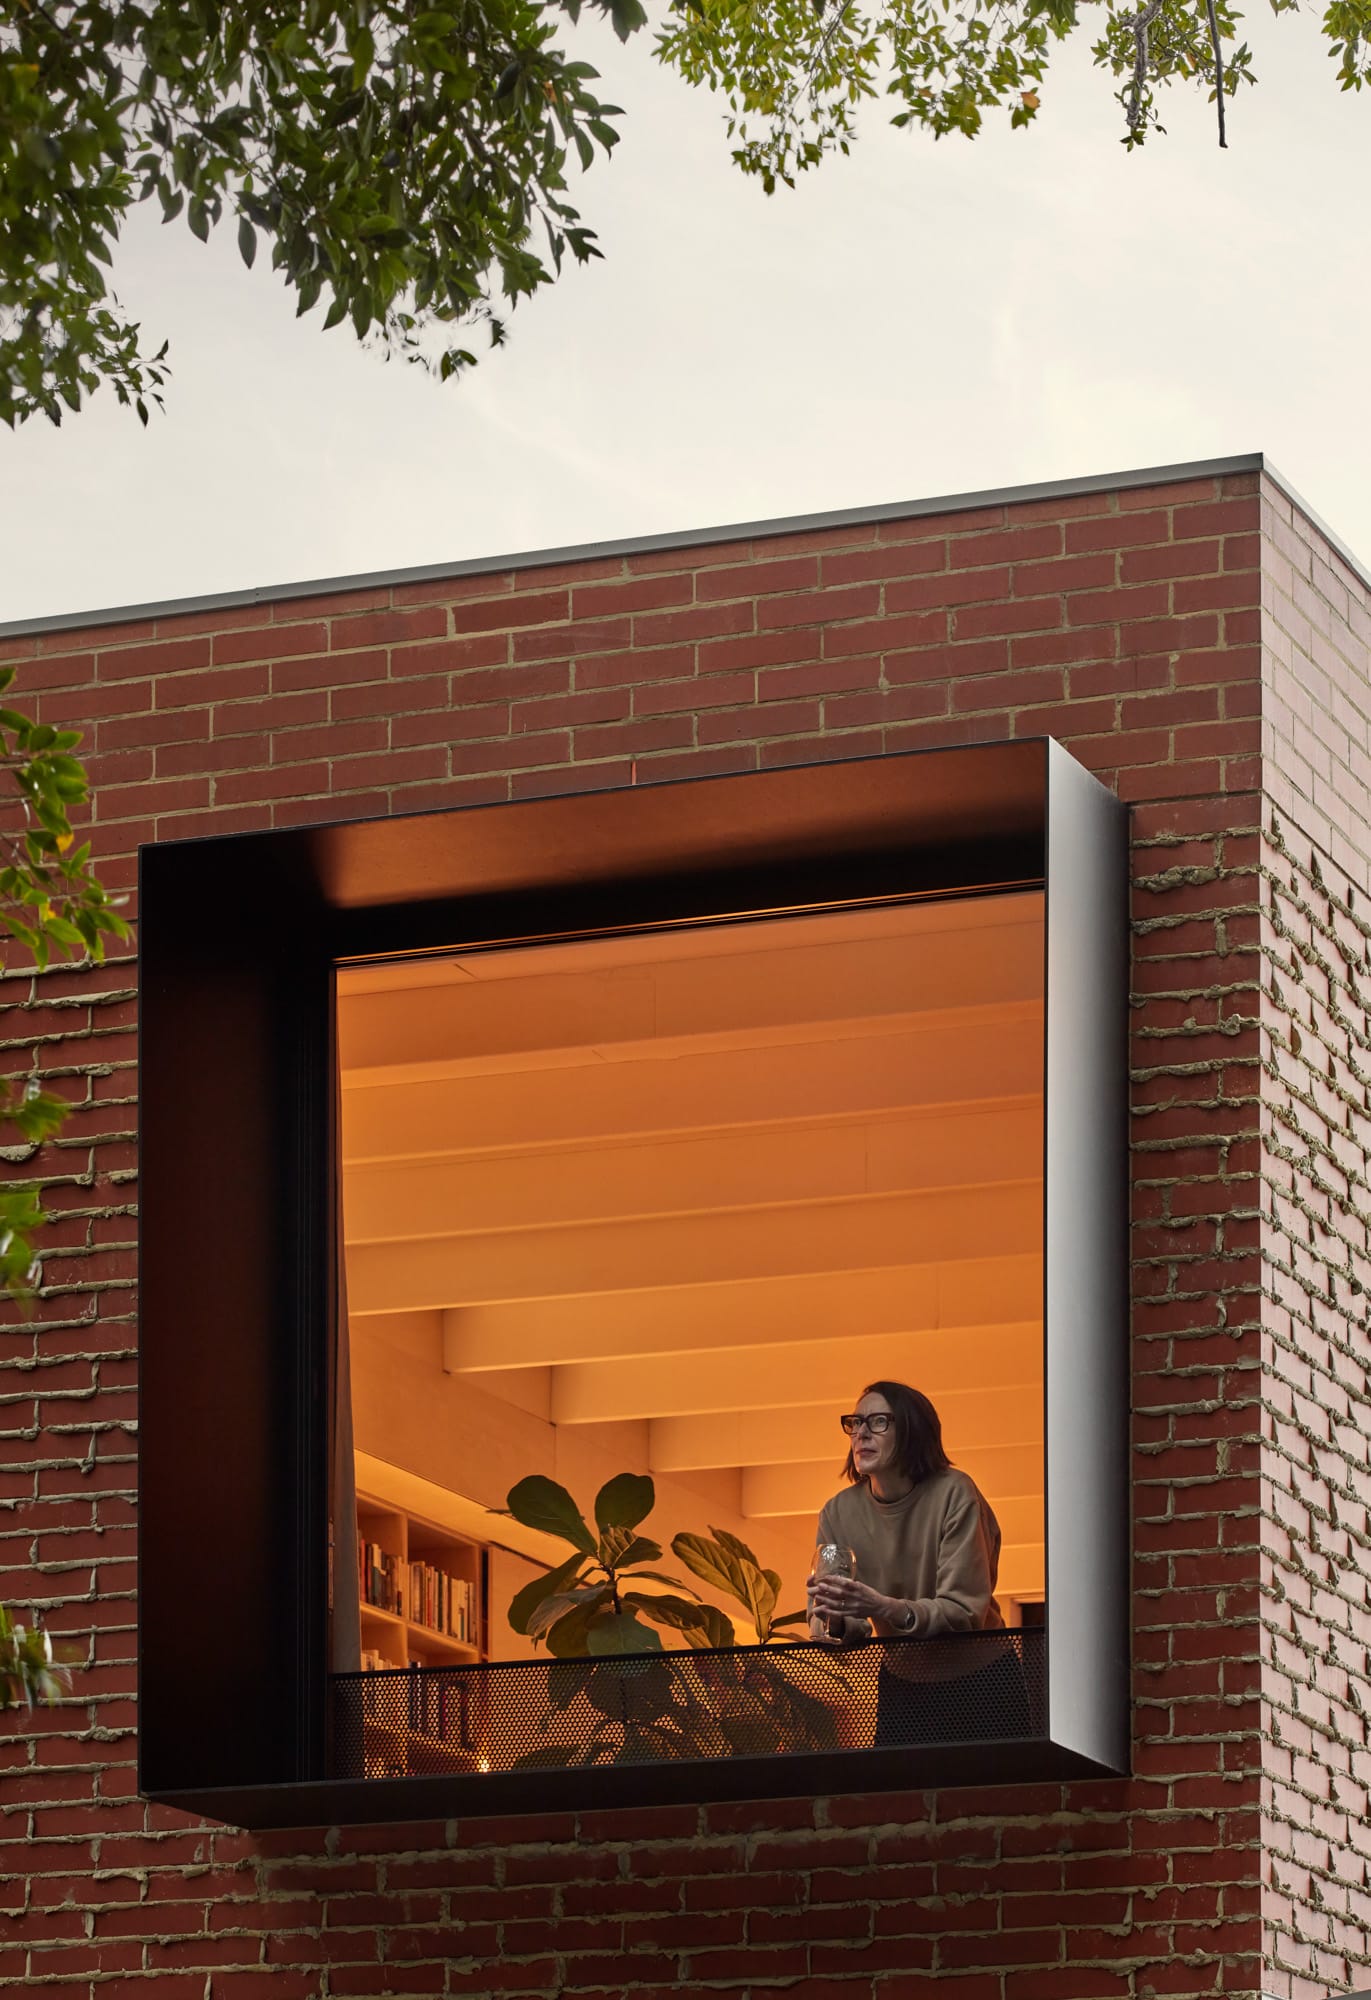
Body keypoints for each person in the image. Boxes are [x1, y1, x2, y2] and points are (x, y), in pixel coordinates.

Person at [806, 1379, 1030, 1745]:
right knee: (898, 1784)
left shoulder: (954, 1492)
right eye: (855, 1422)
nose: (861, 1433)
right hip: (902, 1684)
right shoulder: (837, 1513)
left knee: (997, 1783)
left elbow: (963, 1613)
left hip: (982, 1681)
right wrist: (832, 1617)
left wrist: (882, 1607)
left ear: (912, 1430)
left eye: (879, 1421)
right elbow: (838, 1626)